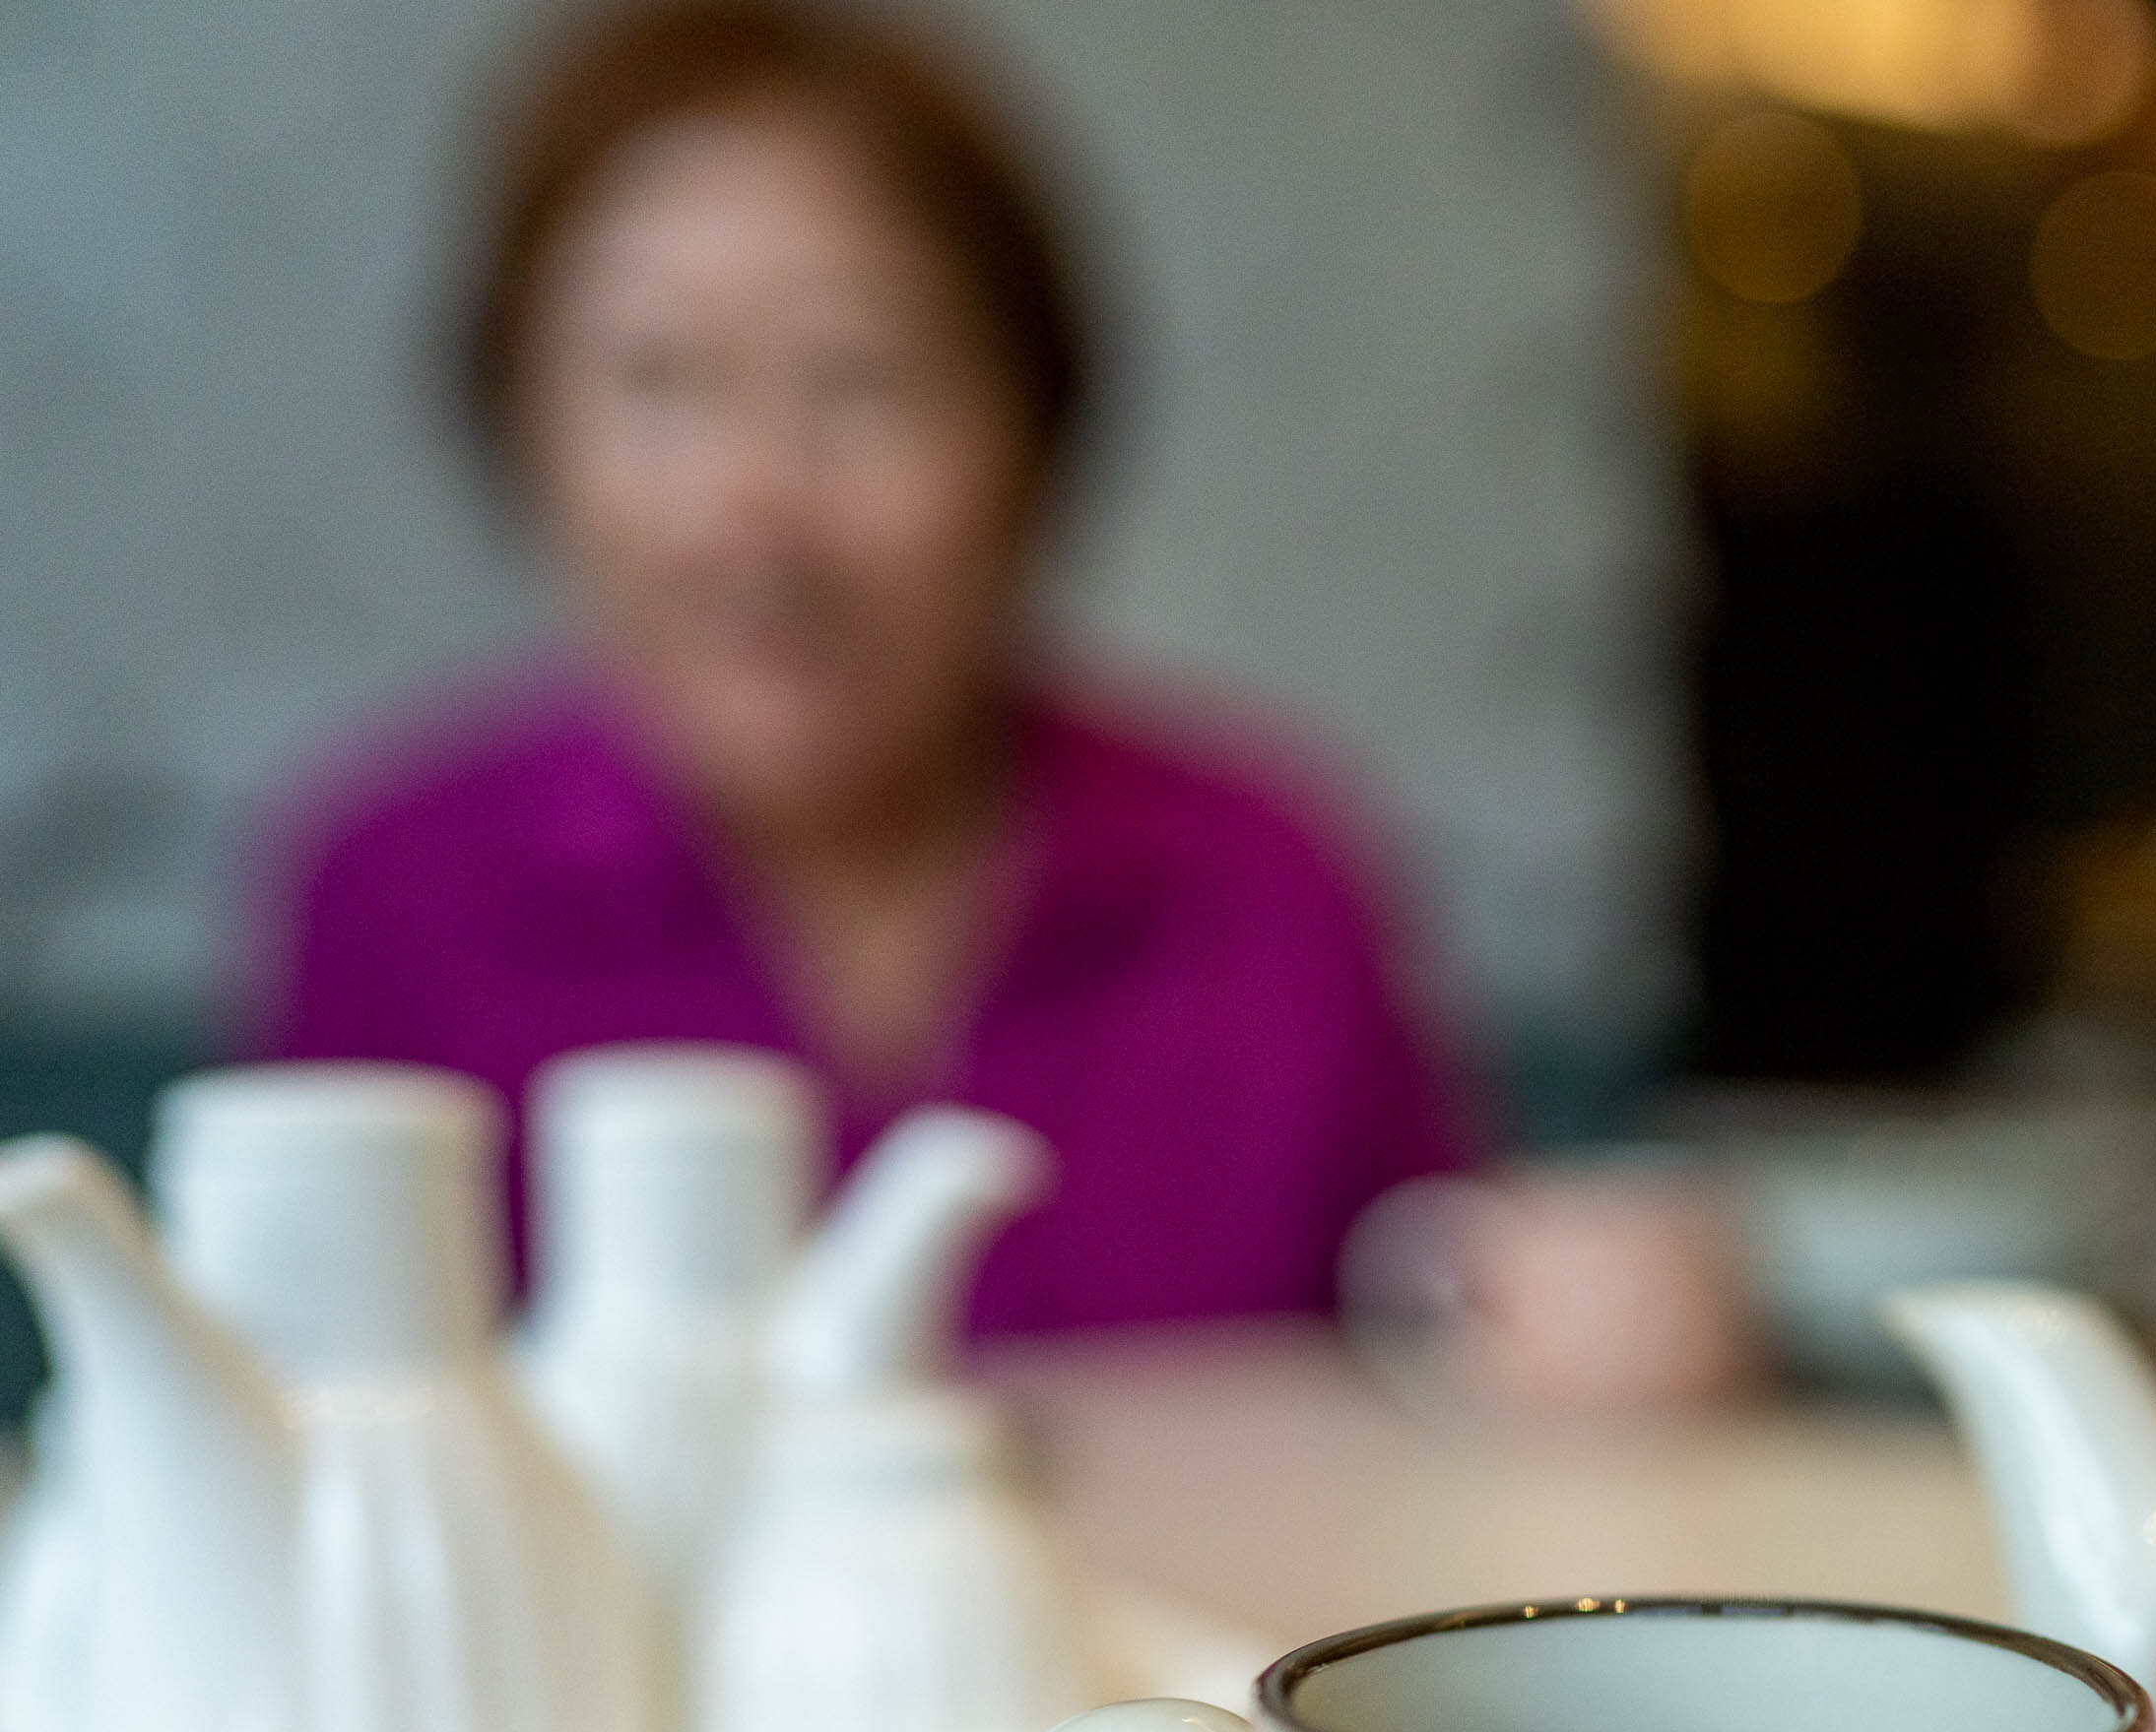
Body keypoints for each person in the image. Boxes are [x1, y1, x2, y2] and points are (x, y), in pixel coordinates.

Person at [261, 0, 1467, 1330]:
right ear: (524, 436)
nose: (752, 507)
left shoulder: (1263, 880)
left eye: (855, 378)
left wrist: (1558, 1311)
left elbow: (1445, 1311)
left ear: (1030, 437)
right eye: (655, 383)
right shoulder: (398, 896)